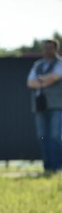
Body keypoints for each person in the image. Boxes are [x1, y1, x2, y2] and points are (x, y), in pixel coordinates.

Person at [26, 39, 62, 173]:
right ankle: (48, 166)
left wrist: (40, 80)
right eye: (46, 48)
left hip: (56, 104)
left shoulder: (60, 63)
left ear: (56, 49)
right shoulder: (38, 65)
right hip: (40, 105)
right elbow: (30, 82)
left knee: (55, 136)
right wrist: (45, 81)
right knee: (42, 136)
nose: (48, 51)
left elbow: (55, 77)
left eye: (50, 48)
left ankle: (58, 166)